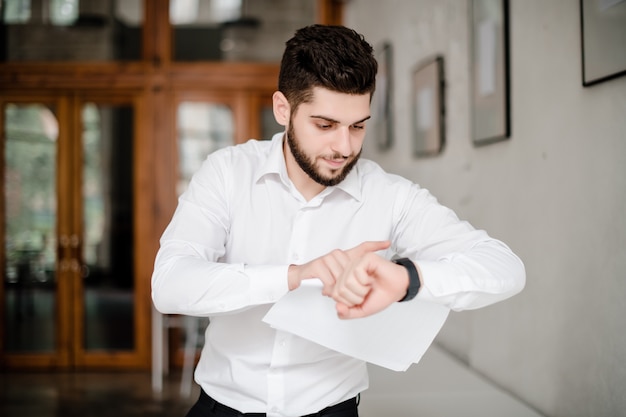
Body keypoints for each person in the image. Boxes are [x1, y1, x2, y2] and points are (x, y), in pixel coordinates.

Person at [152, 24, 525, 417]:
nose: (344, 147)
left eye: (358, 126)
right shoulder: (227, 173)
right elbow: (169, 284)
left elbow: (504, 267)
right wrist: (294, 275)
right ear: (283, 109)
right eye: (325, 125)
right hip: (222, 408)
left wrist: (407, 279)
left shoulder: (390, 196)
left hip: (333, 410)